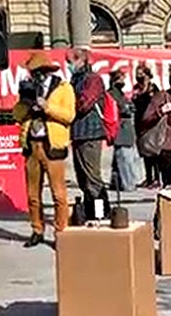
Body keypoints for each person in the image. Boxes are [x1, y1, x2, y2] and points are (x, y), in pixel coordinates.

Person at [13, 51, 74, 248]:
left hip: (52, 145)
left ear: (46, 71)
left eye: (37, 72)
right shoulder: (29, 88)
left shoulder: (63, 89)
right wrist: (26, 104)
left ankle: (61, 231)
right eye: (32, 73)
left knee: (58, 194)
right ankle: (37, 230)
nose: (34, 76)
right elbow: (17, 115)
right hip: (32, 145)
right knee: (32, 194)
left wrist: (47, 107)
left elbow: (69, 115)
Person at [68, 48, 108, 209]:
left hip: (91, 132)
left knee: (92, 176)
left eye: (70, 62)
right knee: (82, 176)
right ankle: (90, 208)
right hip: (78, 132)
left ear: (81, 61)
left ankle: (101, 210)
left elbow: (84, 104)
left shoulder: (93, 79)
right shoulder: (75, 79)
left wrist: (67, 104)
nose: (69, 65)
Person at [109, 69, 139, 191]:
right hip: (120, 130)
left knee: (122, 159)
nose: (123, 81)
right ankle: (128, 185)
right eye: (120, 79)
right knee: (125, 160)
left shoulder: (120, 93)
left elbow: (131, 107)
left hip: (126, 130)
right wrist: (127, 108)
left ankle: (117, 183)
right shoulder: (112, 93)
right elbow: (122, 109)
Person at [132, 65, 161, 188]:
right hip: (139, 122)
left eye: (141, 74)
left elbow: (157, 103)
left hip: (151, 123)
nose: (139, 77)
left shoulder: (153, 88)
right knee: (144, 151)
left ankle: (157, 178)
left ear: (148, 75)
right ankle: (148, 178)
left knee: (153, 151)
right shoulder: (137, 89)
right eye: (137, 74)